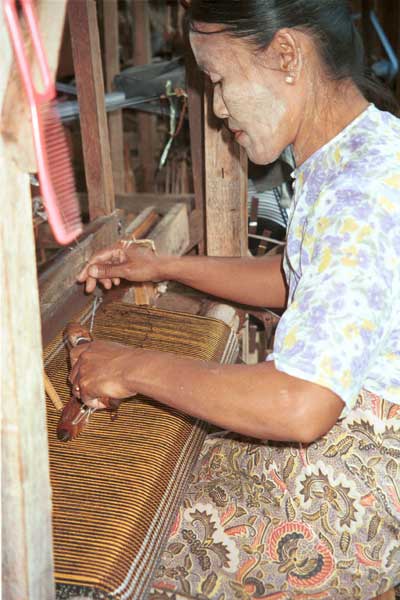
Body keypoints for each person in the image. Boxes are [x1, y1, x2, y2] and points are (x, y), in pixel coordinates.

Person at [73, 1, 400, 598]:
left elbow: (302, 404)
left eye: (220, 81)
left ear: (285, 55)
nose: (218, 109)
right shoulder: (360, 146)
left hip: (361, 487)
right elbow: (298, 276)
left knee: (127, 554)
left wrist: (129, 367)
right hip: (355, 436)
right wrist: (167, 265)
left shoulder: (360, 189)